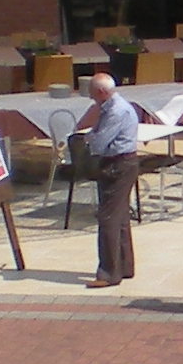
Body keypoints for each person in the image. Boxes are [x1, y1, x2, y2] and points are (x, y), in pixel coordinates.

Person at [72, 74, 142, 288]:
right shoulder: (110, 108)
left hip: (118, 165)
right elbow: (97, 133)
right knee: (119, 217)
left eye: (93, 94)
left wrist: (86, 142)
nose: (92, 99)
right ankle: (124, 266)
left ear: (101, 92)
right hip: (121, 163)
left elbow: (100, 142)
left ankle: (109, 273)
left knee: (108, 218)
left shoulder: (116, 110)